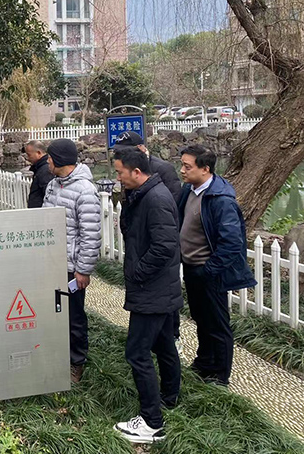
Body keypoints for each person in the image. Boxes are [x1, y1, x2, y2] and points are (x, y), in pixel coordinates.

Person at [112, 147, 182, 444]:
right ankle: (170, 396)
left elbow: (165, 246)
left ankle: (152, 423)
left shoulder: (156, 198)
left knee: (137, 352)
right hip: (158, 289)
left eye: (119, 172)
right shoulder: (142, 194)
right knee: (164, 344)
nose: (117, 178)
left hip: (152, 290)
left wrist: (138, 274)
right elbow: (131, 230)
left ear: (136, 171)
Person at [177, 144, 255, 386]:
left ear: (205, 169)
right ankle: (203, 363)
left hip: (209, 272)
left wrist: (209, 271)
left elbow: (232, 243)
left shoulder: (221, 200)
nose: (182, 170)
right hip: (191, 268)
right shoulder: (188, 191)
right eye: (182, 165)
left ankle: (220, 375)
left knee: (217, 324)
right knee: (201, 318)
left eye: (187, 166)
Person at [114, 129, 183, 352]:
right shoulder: (126, 174)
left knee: (161, 321)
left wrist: (139, 271)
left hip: (155, 262)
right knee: (161, 346)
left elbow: (169, 220)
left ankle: (175, 336)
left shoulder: (162, 172)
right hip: (140, 246)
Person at [41, 138, 100, 383]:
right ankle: (55, 354)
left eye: (50, 158)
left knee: (74, 316)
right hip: (51, 262)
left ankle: (77, 362)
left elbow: (90, 233)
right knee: (53, 312)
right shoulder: (54, 185)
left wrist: (83, 270)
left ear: (59, 160)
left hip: (71, 268)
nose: (47, 162)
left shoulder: (85, 190)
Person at [114, 130, 181, 201]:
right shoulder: (124, 169)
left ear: (141, 148)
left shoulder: (164, 169)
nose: (122, 155)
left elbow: (174, 199)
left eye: (125, 152)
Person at [24, 140, 53, 209]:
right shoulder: (40, 169)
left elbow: (48, 196)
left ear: (38, 153)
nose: (28, 158)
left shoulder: (45, 171)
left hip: (41, 213)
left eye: (29, 155)